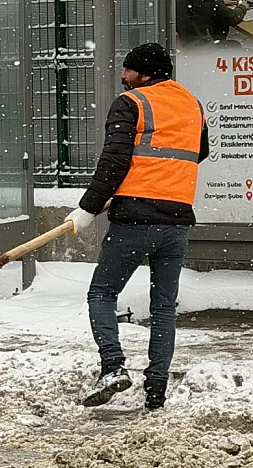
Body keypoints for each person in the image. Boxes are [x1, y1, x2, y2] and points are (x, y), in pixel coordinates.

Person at [66, 43, 209, 411]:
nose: (123, 76)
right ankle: (156, 390)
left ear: (143, 74)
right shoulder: (191, 104)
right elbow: (198, 151)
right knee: (164, 306)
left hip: (135, 221)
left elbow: (113, 160)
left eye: (128, 70)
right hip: (177, 220)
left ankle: (113, 366)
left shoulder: (131, 102)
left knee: (101, 294)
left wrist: (88, 208)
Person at [176, 0, 249, 49]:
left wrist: (221, 2)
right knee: (236, 46)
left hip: (188, 42)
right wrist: (243, 6)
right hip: (204, 46)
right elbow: (234, 17)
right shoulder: (210, 2)